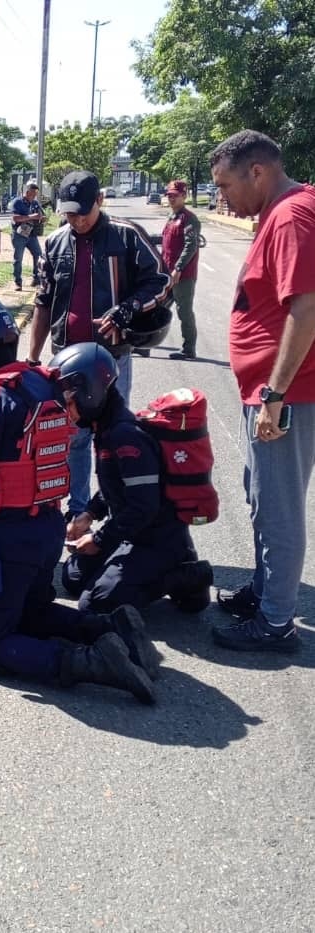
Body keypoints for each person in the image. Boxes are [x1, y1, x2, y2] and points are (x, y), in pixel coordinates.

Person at [0, 298, 158, 703]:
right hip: (45, 527)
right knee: (32, 612)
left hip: (7, 536)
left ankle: (90, 661)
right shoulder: (43, 381)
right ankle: (108, 628)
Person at [208, 129, 315, 653]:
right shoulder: (278, 212)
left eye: (226, 185)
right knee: (260, 496)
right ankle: (264, 590)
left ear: (258, 171)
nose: (222, 198)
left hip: (285, 395)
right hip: (270, 391)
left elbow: (307, 308)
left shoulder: (292, 215)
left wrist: (275, 393)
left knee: (278, 506)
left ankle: (276, 623)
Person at [28, 170, 171, 518]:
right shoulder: (55, 242)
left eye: (82, 212)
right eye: (69, 213)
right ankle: (78, 512)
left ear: (100, 202)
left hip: (112, 360)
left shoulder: (126, 236)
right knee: (73, 438)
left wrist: (127, 309)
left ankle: (115, 511)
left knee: (114, 437)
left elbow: (162, 281)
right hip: (65, 363)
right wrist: (32, 357)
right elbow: (43, 301)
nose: (76, 220)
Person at [53, 342, 213, 613]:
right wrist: (90, 514)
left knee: (96, 603)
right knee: (73, 577)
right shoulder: (105, 426)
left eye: (69, 402)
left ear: (90, 393)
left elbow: (144, 507)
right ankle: (131, 569)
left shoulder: (125, 437)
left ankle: (189, 575)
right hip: (133, 530)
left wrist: (100, 540)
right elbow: (116, 486)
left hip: (157, 539)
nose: (66, 410)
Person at [161, 180, 202, 360]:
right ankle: (144, 343)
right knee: (156, 307)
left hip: (182, 275)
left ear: (184, 196)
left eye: (175, 196)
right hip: (167, 273)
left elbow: (190, 246)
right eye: (169, 195)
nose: (171, 199)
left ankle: (189, 349)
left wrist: (178, 268)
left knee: (184, 311)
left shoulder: (189, 219)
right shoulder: (172, 217)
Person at [10, 181, 45, 291]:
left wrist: (42, 218)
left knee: (38, 255)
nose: (34, 196)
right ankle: (18, 282)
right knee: (18, 259)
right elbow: (15, 218)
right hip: (19, 234)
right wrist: (31, 217)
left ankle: (36, 278)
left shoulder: (35, 203)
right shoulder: (17, 202)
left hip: (32, 235)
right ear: (27, 192)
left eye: (35, 194)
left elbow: (41, 214)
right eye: (32, 193)